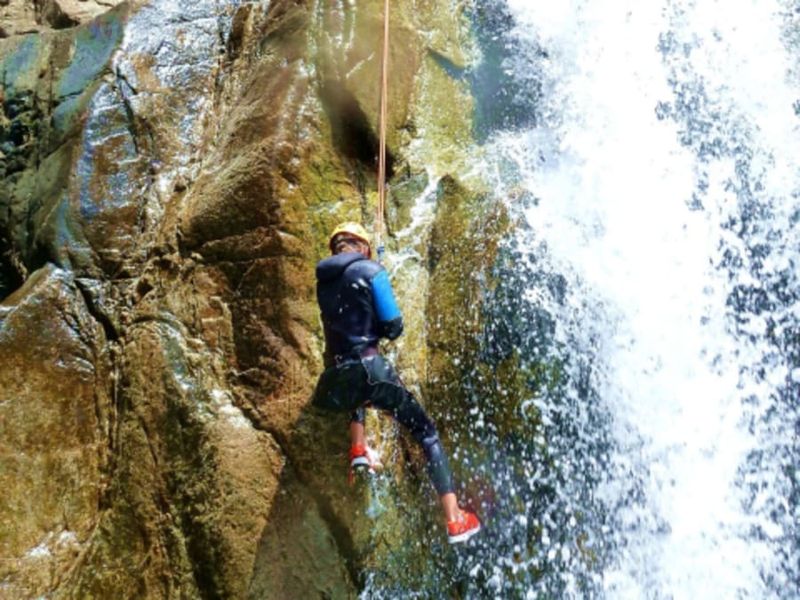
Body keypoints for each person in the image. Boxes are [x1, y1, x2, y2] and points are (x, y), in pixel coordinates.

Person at [311, 221, 481, 544]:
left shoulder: (324, 284)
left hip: (337, 377)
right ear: (362, 247)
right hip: (370, 371)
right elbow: (393, 326)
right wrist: (378, 278)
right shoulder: (371, 270)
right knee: (426, 433)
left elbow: (343, 333)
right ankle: (455, 518)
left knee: (354, 389)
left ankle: (358, 447)